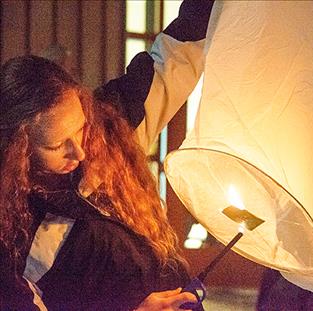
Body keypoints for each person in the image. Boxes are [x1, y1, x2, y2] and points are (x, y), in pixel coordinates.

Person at [0, 1, 214, 309]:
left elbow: (175, 56)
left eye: (80, 129)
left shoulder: (109, 129)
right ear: (16, 153)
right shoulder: (12, 232)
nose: (80, 151)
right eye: (57, 145)